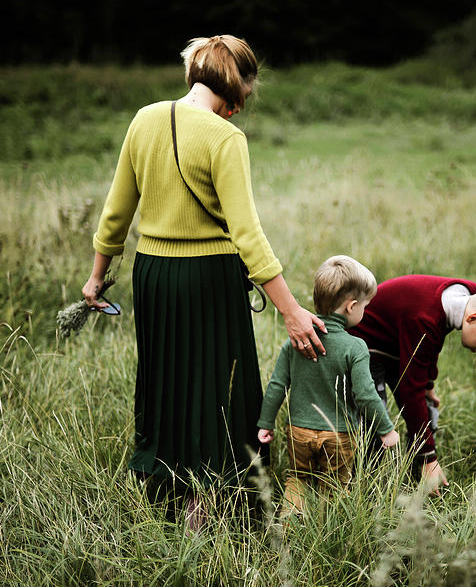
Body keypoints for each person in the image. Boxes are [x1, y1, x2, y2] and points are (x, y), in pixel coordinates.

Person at [81, 35, 326, 523]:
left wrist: (95, 279)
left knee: (166, 383)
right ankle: (209, 508)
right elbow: (248, 235)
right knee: (220, 390)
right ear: (234, 89)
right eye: (243, 100)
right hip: (208, 280)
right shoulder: (225, 138)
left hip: (153, 275)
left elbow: (115, 214)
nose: (238, 112)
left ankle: (167, 497)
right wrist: (293, 311)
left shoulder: (144, 118)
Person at [347, 275, 476, 495]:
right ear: (473, 318)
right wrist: (430, 457)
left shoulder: (472, 295)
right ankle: (363, 485)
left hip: (399, 343)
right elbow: (410, 387)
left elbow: (429, 347)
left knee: (425, 408)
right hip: (366, 345)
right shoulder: (426, 319)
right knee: (375, 419)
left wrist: (428, 383)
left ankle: (417, 467)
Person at [257, 255, 400, 515]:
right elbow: (366, 395)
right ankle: (326, 534)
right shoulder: (355, 347)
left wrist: (266, 423)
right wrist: (386, 430)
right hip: (339, 435)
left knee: (297, 480)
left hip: (298, 430)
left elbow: (276, 386)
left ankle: (288, 529)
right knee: (334, 486)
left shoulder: (295, 342)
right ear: (351, 306)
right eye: (365, 306)